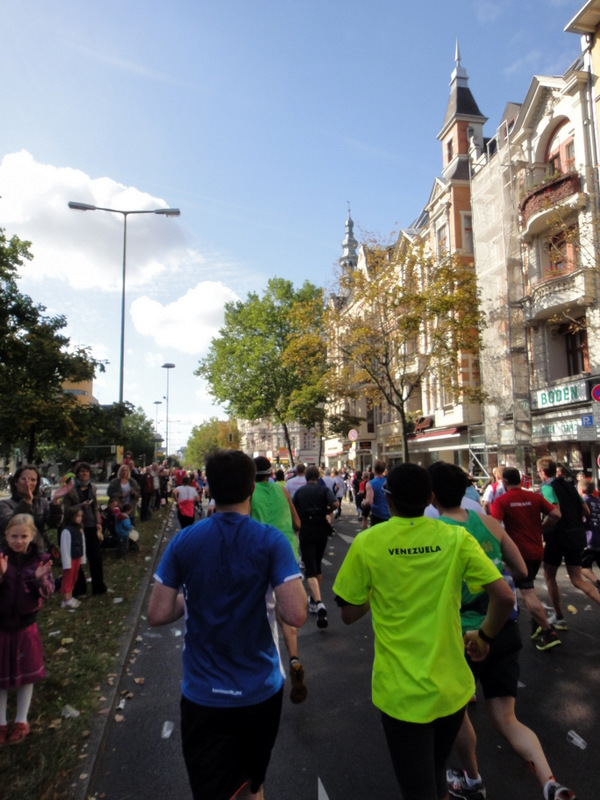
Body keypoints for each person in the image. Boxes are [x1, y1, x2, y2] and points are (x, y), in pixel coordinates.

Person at [332, 462, 514, 800]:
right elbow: (504, 595)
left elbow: (347, 613)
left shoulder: (369, 542)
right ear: (429, 498)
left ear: (389, 498)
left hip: (401, 695)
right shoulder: (455, 537)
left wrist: (381, 586)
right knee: (434, 773)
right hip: (452, 688)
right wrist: (485, 636)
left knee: (419, 788)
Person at [147, 449, 307, 800]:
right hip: (259, 690)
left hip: (203, 693)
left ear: (209, 488)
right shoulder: (272, 542)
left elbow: (157, 613)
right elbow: (295, 615)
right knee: (253, 786)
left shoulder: (184, 541)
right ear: (252, 487)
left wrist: (194, 596)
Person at [428, 463, 576, 800]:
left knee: (458, 712)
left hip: (464, 634)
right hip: (504, 627)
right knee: (508, 719)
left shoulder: (437, 532)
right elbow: (521, 569)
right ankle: (550, 782)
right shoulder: (490, 523)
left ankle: (473, 779)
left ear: (432, 496)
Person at [251, 457, 307, 704]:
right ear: (271, 472)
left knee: (264, 610)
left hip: (260, 554)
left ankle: (266, 670)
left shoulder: (249, 494)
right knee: (288, 612)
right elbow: (297, 523)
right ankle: (294, 658)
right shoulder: (283, 490)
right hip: (287, 553)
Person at [490, 467, 562, 651]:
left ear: (504, 482)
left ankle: (548, 631)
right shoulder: (535, 497)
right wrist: (542, 528)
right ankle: (538, 624)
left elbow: (494, 527)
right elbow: (556, 514)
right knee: (527, 586)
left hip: (518, 553)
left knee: (526, 591)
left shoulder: (501, 500)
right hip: (537, 550)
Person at [0, 514, 55, 744]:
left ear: (32, 536)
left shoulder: (39, 561)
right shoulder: (1, 558)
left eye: (24, 536)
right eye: (14, 536)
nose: (19, 541)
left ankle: (21, 719)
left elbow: (48, 591)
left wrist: (39, 580)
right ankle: (1, 722)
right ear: (6, 536)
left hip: (25, 626)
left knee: (26, 676)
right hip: (1, 626)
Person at [537, 457, 600, 628]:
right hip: (576, 535)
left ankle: (559, 617)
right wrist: (578, 524)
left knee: (549, 575)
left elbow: (555, 513)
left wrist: (542, 529)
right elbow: (586, 511)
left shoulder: (547, 487)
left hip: (558, 536)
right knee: (577, 579)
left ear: (543, 472)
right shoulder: (572, 487)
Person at [293, 465, 338, 629]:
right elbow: (336, 503)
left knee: (309, 568)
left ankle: (318, 602)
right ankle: (314, 599)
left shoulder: (300, 492)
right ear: (317, 477)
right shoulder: (323, 490)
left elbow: (293, 508)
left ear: (306, 477)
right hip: (320, 528)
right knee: (317, 565)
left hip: (306, 529)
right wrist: (327, 509)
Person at [0, 465, 71, 553]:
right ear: (15, 482)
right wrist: (26, 502)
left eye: (33, 480)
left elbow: (54, 523)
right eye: (24, 479)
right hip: (11, 557)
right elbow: (7, 524)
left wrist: (55, 502)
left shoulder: (41, 503)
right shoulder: (5, 504)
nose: (28, 483)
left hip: (37, 555)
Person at [63, 462, 106, 596]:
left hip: (91, 525)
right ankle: (79, 588)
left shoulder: (91, 487)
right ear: (77, 473)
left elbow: (95, 506)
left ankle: (98, 587)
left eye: (86, 471)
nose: (84, 474)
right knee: (77, 558)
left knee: (95, 558)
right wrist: (80, 506)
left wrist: (98, 522)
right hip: (77, 527)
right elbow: (66, 509)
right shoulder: (71, 489)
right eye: (82, 471)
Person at [60, 505, 86, 610]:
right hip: (70, 559)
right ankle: (66, 600)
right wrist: (66, 563)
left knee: (74, 577)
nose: (80, 518)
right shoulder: (67, 531)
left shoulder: (79, 530)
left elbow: (82, 544)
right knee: (68, 578)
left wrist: (82, 558)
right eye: (77, 516)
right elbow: (65, 547)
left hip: (77, 557)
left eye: (81, 516)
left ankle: (70, 597)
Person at [579, 480, 600, 590]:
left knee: (582, 566)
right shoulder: (597, 502)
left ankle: (597, 583)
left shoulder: (583, 501)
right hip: (599, 538)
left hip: (589, 539)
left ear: (581, 490)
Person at [363, 460, 390, 527]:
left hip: (377, 515)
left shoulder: (370, 484)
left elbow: (369, 502)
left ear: (374, 469)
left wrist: (363, 502)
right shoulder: (388, 481)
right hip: (389, 514)